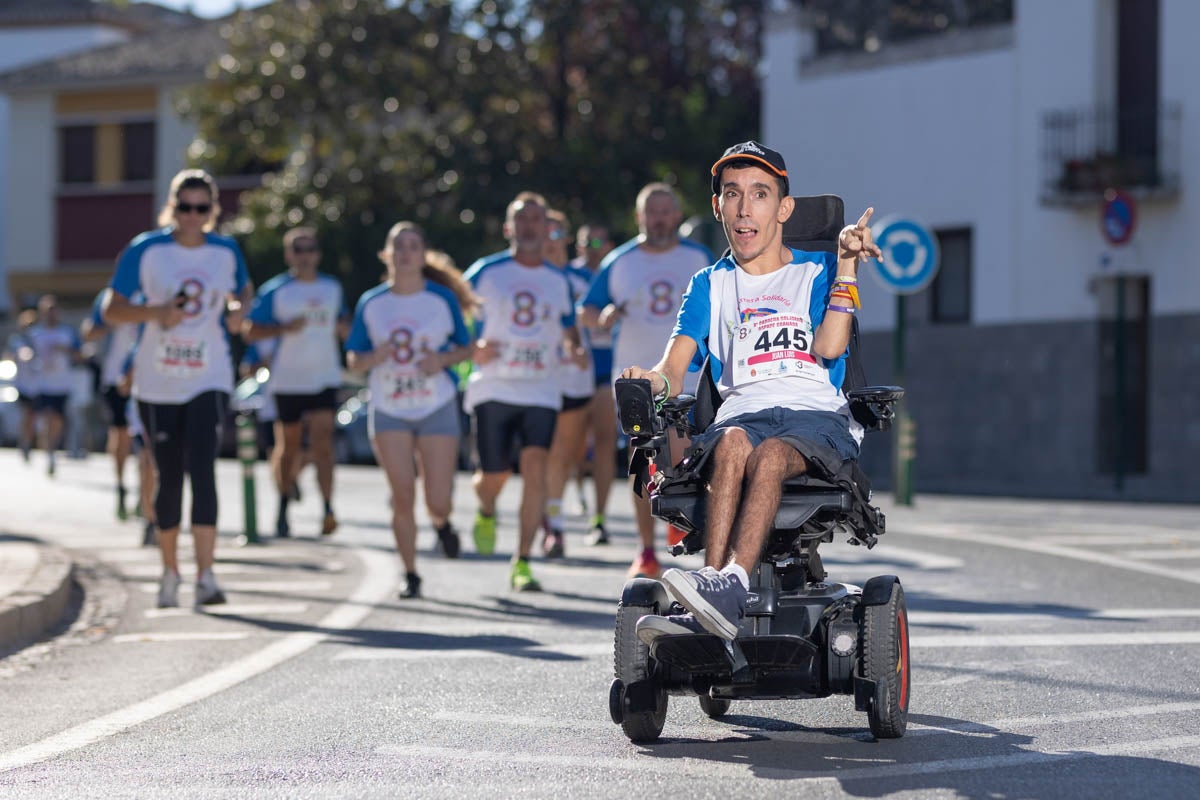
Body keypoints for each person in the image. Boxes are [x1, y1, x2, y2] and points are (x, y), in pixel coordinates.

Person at [623, 141, 880, 642]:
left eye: (760, 194)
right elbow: (673, 366)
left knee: (771, 454)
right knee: (735, 441)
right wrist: (650, 382)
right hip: (743, 414)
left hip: (815, 419)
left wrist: (847, 265)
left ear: (782, 208)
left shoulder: (817, 270)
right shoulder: (709, 284)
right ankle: (715, 590)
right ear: (718, 206)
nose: (745, 208)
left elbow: (830, 346)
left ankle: (730, 585)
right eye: (732, 194)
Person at [103, 168, 252, 608]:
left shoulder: (225, 250)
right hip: (157, 381)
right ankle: (169, 572)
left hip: (210, 376)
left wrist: (239, 310)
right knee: (168, 478)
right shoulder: (146, 250)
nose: (192, 217)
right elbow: (113, 309)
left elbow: (243, 288)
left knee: (203, 470)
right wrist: (156, 312)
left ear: (212, 211)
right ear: (172, 206)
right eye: (184, 207)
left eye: (201, 208)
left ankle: (207, 575)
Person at [580, 183, 713, 579]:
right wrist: (601, 317)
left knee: (689, 459)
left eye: (665, 211)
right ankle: (645, 550)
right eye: (650, 212)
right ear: (639, 217)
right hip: (636, 378)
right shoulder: (620, 261)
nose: (658, 219)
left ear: (677, 216)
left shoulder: (698, 257)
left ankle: (688, 528)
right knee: (643, 463)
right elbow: (586, 309)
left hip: (691, 377)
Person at [462, 191, 585, 591]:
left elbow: (568, 329)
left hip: (541, 390)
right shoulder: (486, 271)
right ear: (508, 228)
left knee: (535, 470)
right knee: (494, 476)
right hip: (494, 386)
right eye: (522, 219)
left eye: (537, 220)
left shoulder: (557, 280)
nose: (531, 226)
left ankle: (522, 560)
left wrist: (575, 349)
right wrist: (471, 348)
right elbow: (453, 315)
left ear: (546, 228)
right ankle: (485, 508)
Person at [345, 222, 475, 599]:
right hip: (389, 408)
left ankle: (443, 524)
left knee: (437, 498)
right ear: (387, 255)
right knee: (402, 493)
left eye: (413, 246)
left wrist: (442, 360)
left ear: (422, 254)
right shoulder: (372, 302)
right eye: (398, 246)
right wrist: (373, 357)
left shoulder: (440, 299)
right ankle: (410, 573)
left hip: (435, 404)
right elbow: (353, 358)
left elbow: (466, 348)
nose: (405, 253)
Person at [244, 227, 349, 539]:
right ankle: (283, 506)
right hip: (288, 380)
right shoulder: (276, 290)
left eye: (310, 248)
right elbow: (250, 331)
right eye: (298, 249)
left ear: (318, 253)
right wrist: (283, 328)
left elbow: (344, 323)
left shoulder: (332, 287)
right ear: (289, 255)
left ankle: (328, 509)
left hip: (325, 376)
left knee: (323, 445)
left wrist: (348, 332)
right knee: (287, 447)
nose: (305, 255)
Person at [540, 209, 595, 559]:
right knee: (543, 455)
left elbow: (598, 321)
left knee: (564, 454)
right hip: (534, 381)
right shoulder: (526, 277)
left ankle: (553, 522)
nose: (552, 241)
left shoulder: (582, 280)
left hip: (575, 379)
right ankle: (548, 520)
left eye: (558, 234)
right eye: (546, 234)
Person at [572, 222, 617, 545]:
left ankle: (598, 517)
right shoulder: (567, 275)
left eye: (599, 239)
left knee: (603, 441)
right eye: (587, 241)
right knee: (573, 446)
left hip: (609, 365)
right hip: (575, 369)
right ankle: (574, 491)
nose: (593, 246)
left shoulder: (619, 271)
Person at [81, 288, 142, 518]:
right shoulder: (110, 296)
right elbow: (89, 332)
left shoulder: (158, 288)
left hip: (149, 378)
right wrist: (112, 319)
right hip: (115, 377)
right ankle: (121, 486)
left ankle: (144, 492)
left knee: (146, 441)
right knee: (122, 435)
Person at [26, 295, 82, 477]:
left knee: (57, 420)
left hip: (62, 385)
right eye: (47, 312)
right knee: (48, 418)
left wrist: (64, 350)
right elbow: (25, 353)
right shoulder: (35, 333)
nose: (51, 315)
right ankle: (49, 453)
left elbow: (79, 354)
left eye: (53, 311)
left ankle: (52, 448)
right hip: (43, 384)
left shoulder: (67, 332)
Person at [3, 308, 40, 461]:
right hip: (22, 384)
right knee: (26, 414)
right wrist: (18, 356)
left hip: (38, 384)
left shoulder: (38, 338)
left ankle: (29, 441)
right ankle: (24, 442)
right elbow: (8, 357)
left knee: (33, 416)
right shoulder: (16, 340)